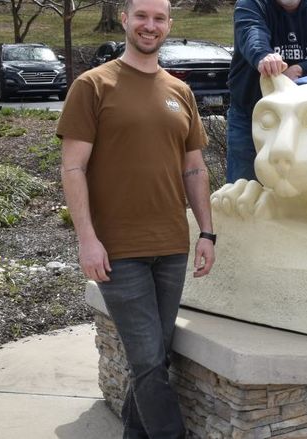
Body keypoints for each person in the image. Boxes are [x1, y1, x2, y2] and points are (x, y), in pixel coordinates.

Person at [57, 0, 216, 436]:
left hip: (170, 246)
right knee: (146, 359)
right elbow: (73, 168)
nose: (150, 25)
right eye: (142, 16)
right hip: (117, 249)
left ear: (169, 24)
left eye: (159, 18)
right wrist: (86, 239)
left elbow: (195, 168)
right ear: (125, 19)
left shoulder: (179, 91)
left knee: (156, 359)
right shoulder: (94, 85)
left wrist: (207, 231)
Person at [226, 0, 307, 182]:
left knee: (299, 189)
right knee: (243, 185)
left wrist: (300, 69)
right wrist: (264, 57)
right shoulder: (251, 4)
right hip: (253, 117)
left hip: (306, 124)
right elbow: (251, 33)